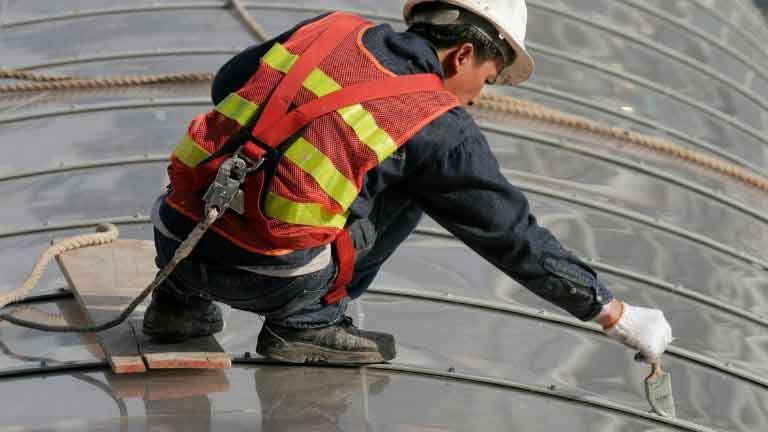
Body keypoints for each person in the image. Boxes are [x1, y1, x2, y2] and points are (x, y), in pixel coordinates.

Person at [143, 0, 673, 366]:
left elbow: (227, 84)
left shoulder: (330, 29)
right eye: (485, 81)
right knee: (417, 188)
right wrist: (614, 314)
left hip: (173, 235)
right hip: (270, 276)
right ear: (463, 54)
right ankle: (308, 322)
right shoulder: (437, 121)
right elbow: (509, 234)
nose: (475, 98)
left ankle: (177, 306)